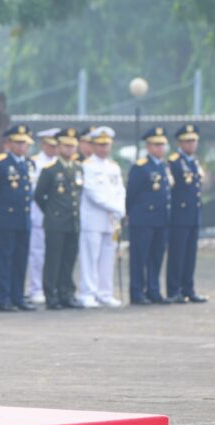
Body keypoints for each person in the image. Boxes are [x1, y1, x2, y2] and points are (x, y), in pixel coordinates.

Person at [0, 125, 36, 312]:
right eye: (18, 143)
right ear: (9, 143)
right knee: (3, 259)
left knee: (20, 259)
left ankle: (17, 295)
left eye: (25, 143)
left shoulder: (28, 164)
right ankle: (2, 297)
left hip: (23, 218)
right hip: (5, 218)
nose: (22, 147)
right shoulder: (0, 164)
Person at [34, 128, 83, 310]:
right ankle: (51, 294)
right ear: (59, 147)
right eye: (65, 146)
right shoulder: (51, 170)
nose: (69, 149)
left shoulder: (78, 169)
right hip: (56, 221)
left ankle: (66, 293)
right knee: (53, 260)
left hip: (73, 221)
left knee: (68, 259)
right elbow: (39, 195)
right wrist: (51, 212)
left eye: (72, 146)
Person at [77, 126, 125, 308]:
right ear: (93, 146)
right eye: (100, 145)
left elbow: (120, 190)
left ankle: (105, 292)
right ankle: (88, 293)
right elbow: (93, 193)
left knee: (108, 256)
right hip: (93, 220)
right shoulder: (87, 166)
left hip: (111, 220)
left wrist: (121, 208)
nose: (104, 149)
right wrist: (115, 207)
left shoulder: (114, 167)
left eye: (107, 145)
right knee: (90, 257)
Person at [126, 127, 171, 305]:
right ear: (148, 146)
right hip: (143, 219)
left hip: (161, 219)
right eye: (156, 145)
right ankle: (137, 292)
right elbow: (131, 194)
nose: (160, 148)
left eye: (162, 145)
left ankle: (153, 290)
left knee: (156, 257)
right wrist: (129, 213)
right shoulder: (141, 167)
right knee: (140, 258)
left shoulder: (163, 166)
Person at [166, 124, 207, 303]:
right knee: (177, 255)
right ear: (180, 143)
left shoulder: (194, 162)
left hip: (193, 215)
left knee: (190, 255)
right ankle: (174, 290)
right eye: (187, 141)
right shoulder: (174, 162)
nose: (191, 144)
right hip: (179, 216)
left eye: (194, 141)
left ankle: (188, 289)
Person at [27, 128, 59, 305]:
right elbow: (35, 191)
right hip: (39, 213)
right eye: (51, 145)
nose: (54, 149)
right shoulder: (34, 163)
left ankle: (53, 287)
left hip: (58, 216)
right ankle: (36, 288)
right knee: (37, 253)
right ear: (43, 144)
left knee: (54, 254)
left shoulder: (61, 163)